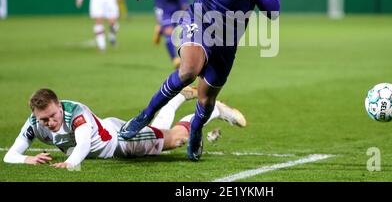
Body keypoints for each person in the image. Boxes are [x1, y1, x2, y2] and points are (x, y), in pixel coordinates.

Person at [121, 0, 281, 161]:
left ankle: (195, 131)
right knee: (188, 71)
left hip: (229, 35)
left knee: (206, 101)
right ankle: (145, 116)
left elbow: (274, 11)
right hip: (199, 18)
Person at [3, 88, 246, 168]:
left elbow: (83, 144)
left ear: (59, 105)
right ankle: (180, 97)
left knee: (175, 139)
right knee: (158, 130)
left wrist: (70, 163)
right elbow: (9, 156)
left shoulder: (75, 113)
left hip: (120, 142)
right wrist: (28, 159)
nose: (50, 123)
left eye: (53, 116)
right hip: (111, 130)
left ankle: (214, 110)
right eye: (44, 120)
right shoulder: (34, 123)